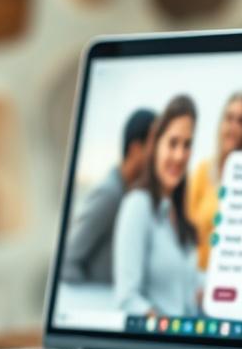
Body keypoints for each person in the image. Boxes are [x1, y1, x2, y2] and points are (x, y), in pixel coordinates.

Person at [114, 95, 199, 316]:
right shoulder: (137, 205)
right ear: (156, 145)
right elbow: (127, 298)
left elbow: (186, 287)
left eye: (187, 145)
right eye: (173, 143)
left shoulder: (176, 211)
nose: (180, 155)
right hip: (161, 341)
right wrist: (168, 331)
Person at [61, 108, 155, 284]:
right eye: (155, 146)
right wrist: (96, 297)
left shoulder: (135, 197)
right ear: (135, 149)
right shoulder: (110, 195)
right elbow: (67, 261)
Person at [188, 92, 242, 271]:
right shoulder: (202, 171)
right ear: (221, 123)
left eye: (241, 121)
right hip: (197, 277)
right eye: (229, 118)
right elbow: (185, 232)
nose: (234, 127)